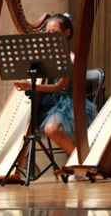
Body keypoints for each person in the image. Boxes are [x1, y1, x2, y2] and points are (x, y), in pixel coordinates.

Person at [14, 13, 96, 156]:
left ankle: (79, 159)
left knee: (51, 129)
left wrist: (29, 86)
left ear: (67, 32)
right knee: (19, 125)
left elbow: (59, 87)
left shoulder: (71, 58)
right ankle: (26, 162)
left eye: (54, 33)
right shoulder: (46, 57)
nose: (50, 37)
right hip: (49, 102)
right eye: (48, 33)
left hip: (66, 102)